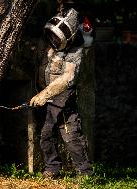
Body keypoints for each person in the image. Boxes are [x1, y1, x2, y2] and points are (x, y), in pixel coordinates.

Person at [29, 1, 93, 178]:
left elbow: (67, 78)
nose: (53, 41)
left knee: (70, 134)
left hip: (63, 95)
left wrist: (45, 94)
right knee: (45, 133)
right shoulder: (45, 39)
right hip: (42, 91)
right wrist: (39, 92)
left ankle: (84, 172)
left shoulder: (77, 48)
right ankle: (52, 169)